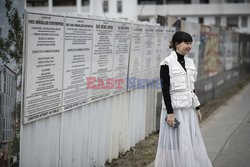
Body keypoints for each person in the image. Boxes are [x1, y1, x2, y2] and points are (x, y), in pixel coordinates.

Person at [154, 31, 213, 167]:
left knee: (189, 142)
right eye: (186, 43)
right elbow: (165, 90)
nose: (189, 46)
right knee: (173, 144)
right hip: (174, 110)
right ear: (176, 44)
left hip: (188, 110)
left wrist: (197, 108)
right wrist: (170, 113)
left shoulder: (190, 62)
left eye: (190, 43)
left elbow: (191, 88)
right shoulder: (166, 64)